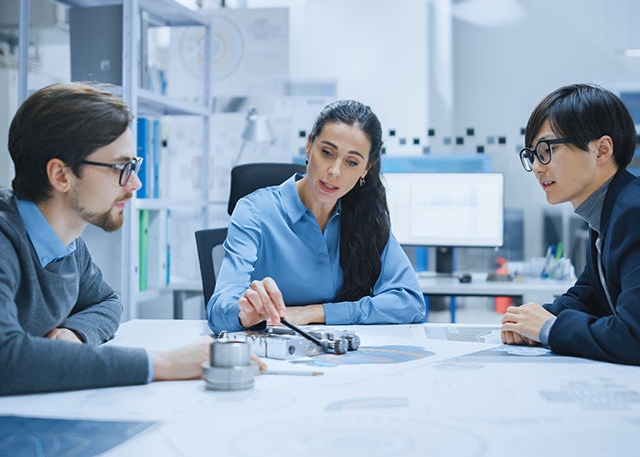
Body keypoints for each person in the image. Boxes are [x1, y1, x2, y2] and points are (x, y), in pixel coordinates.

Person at [0, 82, 223, 396]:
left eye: (133, 166)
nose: (134, 183)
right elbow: (6, 359)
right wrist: (160, 364)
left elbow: (106, 302)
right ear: (61, 175)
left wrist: (75, 334)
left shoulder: (67, 242)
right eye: (121, 167)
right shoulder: (5, 238)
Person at [207, 100, 426, 334]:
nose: (334, 172)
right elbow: (219, 311)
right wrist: (244, 315)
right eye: (327, 153)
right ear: (309, 145)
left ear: (366, 168)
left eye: (352, 162)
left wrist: (315, 313)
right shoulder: (254, 212)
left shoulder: (365, 215)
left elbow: (410, 302)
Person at [501, 83, 640, 364]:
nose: (538, 167)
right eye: (532, 155)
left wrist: (547, 327)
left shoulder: (632, 214)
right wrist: (532, 319)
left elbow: (633, 336)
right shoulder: (607, 213)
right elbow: (588, 295)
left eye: (546, 149)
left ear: (601, 150)